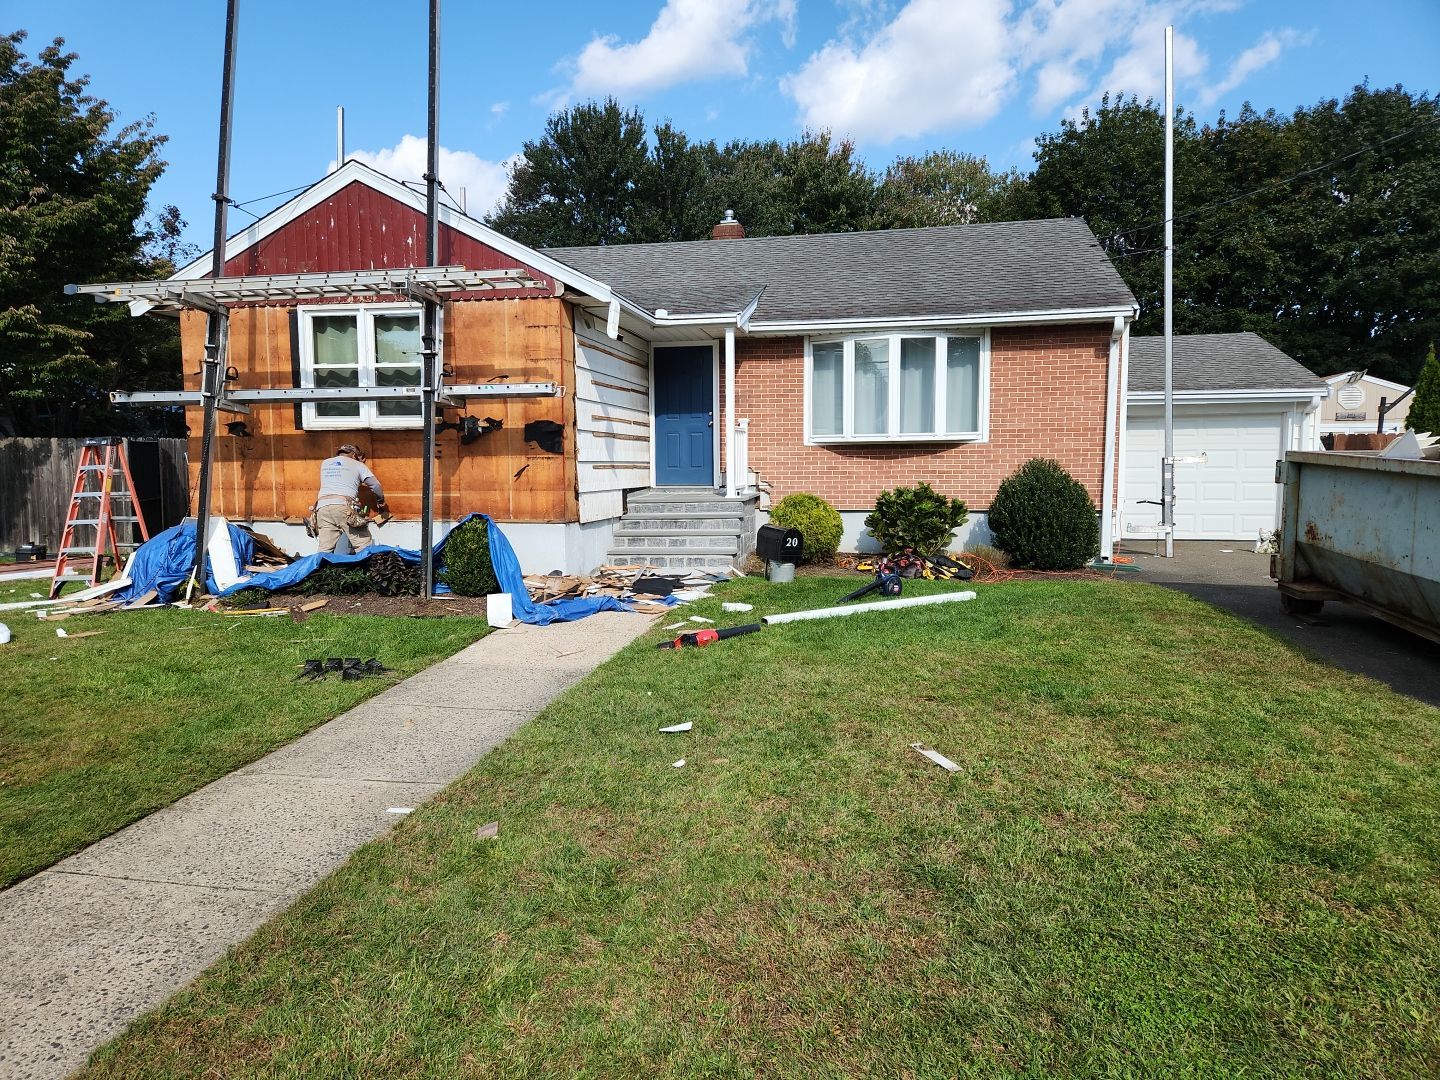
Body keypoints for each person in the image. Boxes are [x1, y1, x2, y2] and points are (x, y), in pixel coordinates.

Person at [313, 444, 388, 554]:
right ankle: (366, 565)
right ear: (353, 455)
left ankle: (320, 565)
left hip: (322, 508)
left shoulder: (325, 463)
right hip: (343, 507)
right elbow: (375, 486)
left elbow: (344, 475)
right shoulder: (358, 465)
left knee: (325, 549)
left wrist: (357, 464)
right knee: (363, 545)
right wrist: (380, 501)